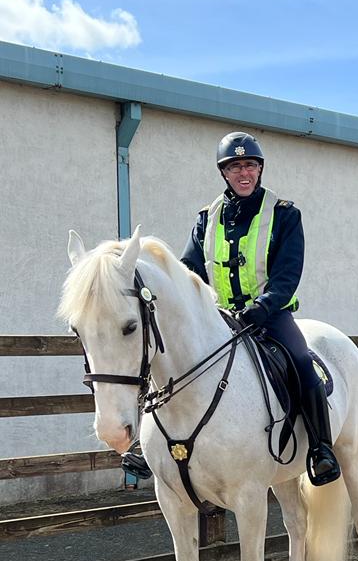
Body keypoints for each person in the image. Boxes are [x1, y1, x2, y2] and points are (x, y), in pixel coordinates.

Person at [123, 131, 340, 486]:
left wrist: (262, 307)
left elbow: (287, 274)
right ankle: (143, 444)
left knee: (302, 363)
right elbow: (188, 271)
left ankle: (320, 448)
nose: (244, 173)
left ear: (260, 169)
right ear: (224, 172)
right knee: (163, 357)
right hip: (218, 318)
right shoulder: (206, 219)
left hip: (269, 317)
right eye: (235, 166)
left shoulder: (284, 215)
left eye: (250, 165)